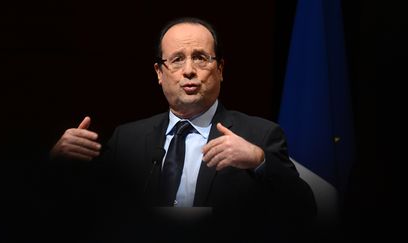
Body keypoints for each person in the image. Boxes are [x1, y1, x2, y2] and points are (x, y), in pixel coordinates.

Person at [48, 17, 316, 242]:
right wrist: (58, 164)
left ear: (220, 69)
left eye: (200, 58)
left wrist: (259, 161)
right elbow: (81, 211)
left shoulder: (259, 134)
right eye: (177, 60)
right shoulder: (127, 139)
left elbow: (304, 211)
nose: (189, 70)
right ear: (159, 73)